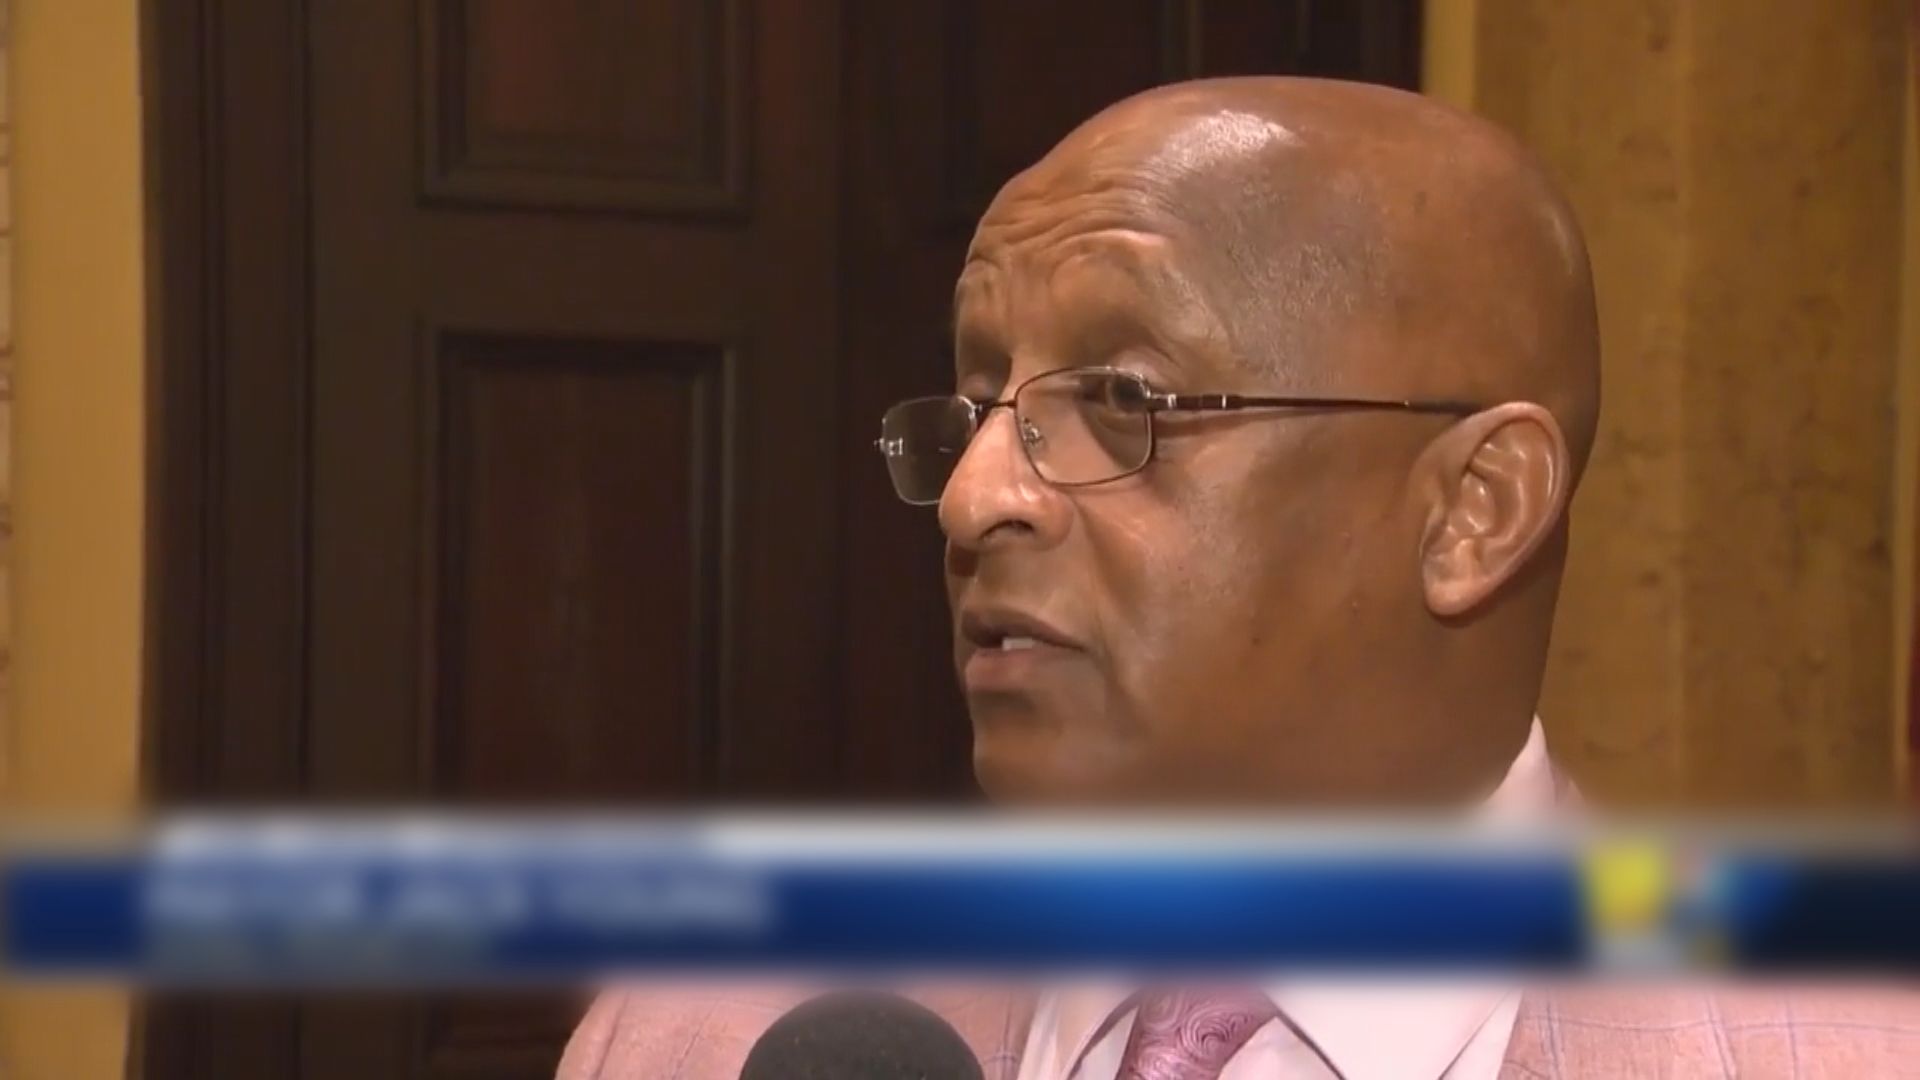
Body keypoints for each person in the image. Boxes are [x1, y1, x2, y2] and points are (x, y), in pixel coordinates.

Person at [557, 77, 1918, 1079]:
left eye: (1124, 400)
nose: (975, 496)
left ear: (1475, 510)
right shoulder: (700, 1034)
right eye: (979, 406)